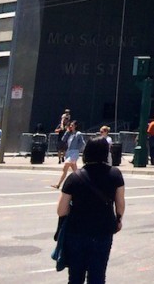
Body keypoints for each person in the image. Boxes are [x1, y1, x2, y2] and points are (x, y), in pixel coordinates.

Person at [57, 135, 124, 284]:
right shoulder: (115, 174)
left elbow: (61, 210)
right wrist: (118, 219)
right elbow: (120, 203)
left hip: (76, 231)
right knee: (98, 275)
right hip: (103, 230)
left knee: (75, 276)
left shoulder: (74, 177)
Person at [53, 121, 86, 189]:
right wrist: (67, 132)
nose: (71, 126)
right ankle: (83, 183)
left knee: (66, 165)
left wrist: (77, 148)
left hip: (74, 153)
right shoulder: (69, 134)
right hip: (69, 152)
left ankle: (60, 184)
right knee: (75, 171)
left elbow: (82, 143)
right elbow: (63, 139)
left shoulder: (78, 133)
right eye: (70, 125)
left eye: (72, 125)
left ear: (75, 126)